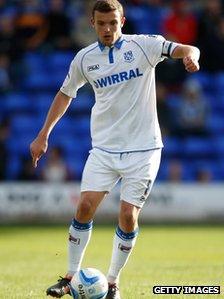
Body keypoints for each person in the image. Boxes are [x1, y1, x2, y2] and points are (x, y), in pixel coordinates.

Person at [30, 1, 200, 298]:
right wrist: (44, 134)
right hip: (105, 148)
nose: (108, 29)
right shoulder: (84, 59)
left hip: (144, 148)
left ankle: (112, 283)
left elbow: (186, 48)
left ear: (122, 20)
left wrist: (190, 57)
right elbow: (65, 93)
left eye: (113, 23)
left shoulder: (145, 46)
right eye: (102, 23)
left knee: (127, 215)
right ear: (92, 23)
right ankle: (69, 278)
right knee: (84, 208)